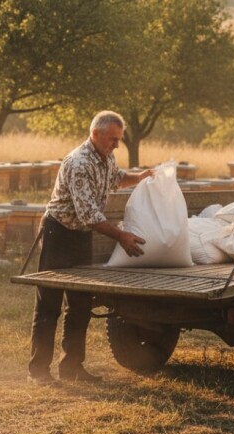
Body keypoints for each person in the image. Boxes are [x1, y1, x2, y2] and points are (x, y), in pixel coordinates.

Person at [28, 110, 153, 384]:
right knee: (49, 303)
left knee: (81, 303)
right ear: (95, 134)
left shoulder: (106, 156)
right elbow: (89, 215)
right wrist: (121, 236)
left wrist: (140, 177)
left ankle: (72, 367)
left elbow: (115, 177)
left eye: (119, 140)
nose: (116, 145)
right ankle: (38, 371)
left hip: (81, 236)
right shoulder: (78, 163)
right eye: (112, 139)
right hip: (58, 232)